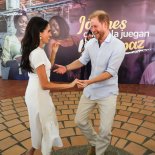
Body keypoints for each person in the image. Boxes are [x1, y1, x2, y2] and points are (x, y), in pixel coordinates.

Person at [54, 10, 125, 155]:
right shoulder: (91, 43)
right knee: (80, 120)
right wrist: (66, 67)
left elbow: (110, 72)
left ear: (105, 24)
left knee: (105, 130)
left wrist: (88, 81)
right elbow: (82, 60)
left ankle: (98, 152)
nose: (92, 30)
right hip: (91, 91)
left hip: (108, 93)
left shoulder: (118, 46)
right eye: (91, 27)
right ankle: (94, 142)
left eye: (95, 26)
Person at [20, 16, 77, 155]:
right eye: (48, 31)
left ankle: (33, 150)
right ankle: (43, 151)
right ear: (40, 33)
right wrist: (70, 86)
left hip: (36, 93)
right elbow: (45, 84)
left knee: (41, 125)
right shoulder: (37, 53)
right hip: (38, 94)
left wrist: (53, 53)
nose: (51, 34)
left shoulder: (37, 51)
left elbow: (47, 68)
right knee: (45, 127)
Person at [46, 15, 80, 82]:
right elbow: (50, 64)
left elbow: (82, 58)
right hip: (59, 79)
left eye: (54, 25)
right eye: (50, 27)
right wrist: (66, 69)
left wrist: (77, 71)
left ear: (62, 25)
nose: (52, 29)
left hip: (76, 77)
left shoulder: (75, 39)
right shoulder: (52, 42)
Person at [1, 11, 29, 80]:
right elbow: (4, 60)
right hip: (14, 75)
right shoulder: (9, 39)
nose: (24, 25)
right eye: (21, 22)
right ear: (15, 23)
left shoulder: (31, 39)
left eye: (26, 22)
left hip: (29, 74)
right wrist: (15, 60)